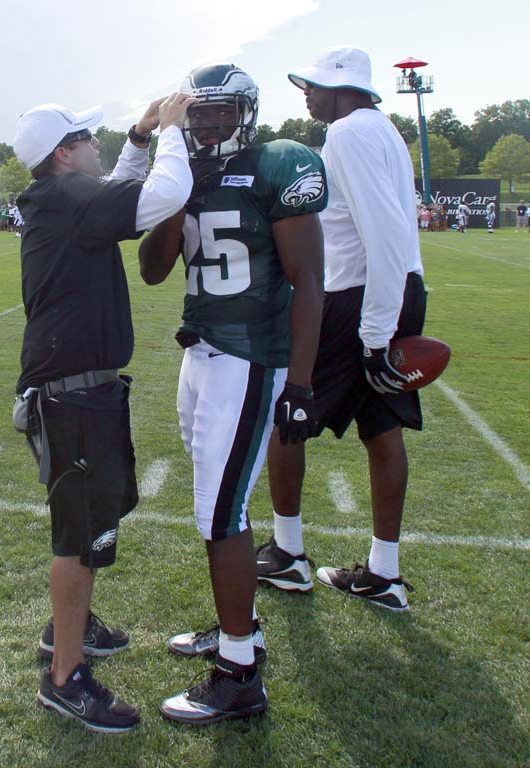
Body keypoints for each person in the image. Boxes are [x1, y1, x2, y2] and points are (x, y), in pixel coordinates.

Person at [138, 63, 326, 724]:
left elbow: (308, 279)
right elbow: (155, 270)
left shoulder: (277, 162)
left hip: (249, 356)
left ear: (246, 113)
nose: (210, 123)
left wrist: (299, 383)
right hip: (202, 350)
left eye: (223, 112)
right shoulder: (186, 172)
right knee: (218, 502)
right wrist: (175, 201)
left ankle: (239, 674)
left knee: (218, 513)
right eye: (200, 113)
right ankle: (237, 626)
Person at [12, 93, 195, 733]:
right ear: (65, 152)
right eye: (87, 137)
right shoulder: (66, 199)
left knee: (92, 520)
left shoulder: (63, 198)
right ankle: (63, 679)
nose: (96, 144)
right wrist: (170, 133)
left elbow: (120, 187)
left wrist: (139, 138)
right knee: (79, 537)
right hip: (73, 394)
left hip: (76, 388)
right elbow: (162, 196)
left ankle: (71, 627)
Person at [254, 46, 426, 612]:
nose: (306, 93)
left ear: (341, 87)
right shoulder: (384, 130)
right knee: (382, 428)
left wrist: (374, 335)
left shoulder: (349, 134)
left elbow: (384, 232)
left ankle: (287, 551)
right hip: (393, 289)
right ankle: (384, 572)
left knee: (288, 411)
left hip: (358, 296)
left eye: (314, 84)